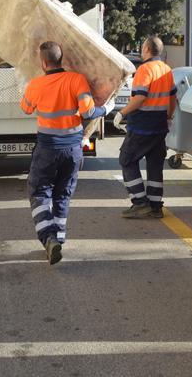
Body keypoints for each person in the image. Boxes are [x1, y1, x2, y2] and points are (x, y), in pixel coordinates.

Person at [21, 41, 114, 264]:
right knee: (63, 193)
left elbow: (25, 108)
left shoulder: (36, 85)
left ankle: (49, 238)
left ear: (44, 63)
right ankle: (58, 241)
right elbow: (88, 111)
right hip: (73, 149)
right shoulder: (77, 80)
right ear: (61, 59)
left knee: (39, 192)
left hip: (47, 148)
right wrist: (107, 109)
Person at [114, 36, 176, 219]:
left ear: (147, 49)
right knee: (155, 164)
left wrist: (122, 113)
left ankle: (140, 202)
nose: (141, 51)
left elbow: (140, 98)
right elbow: (173, 97)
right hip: (159, 125)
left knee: (127, 160)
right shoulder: (166, 69)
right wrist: (169, 116)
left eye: (142, 47)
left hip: (142, 125)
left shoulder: (144, 69)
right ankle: (156, 206)